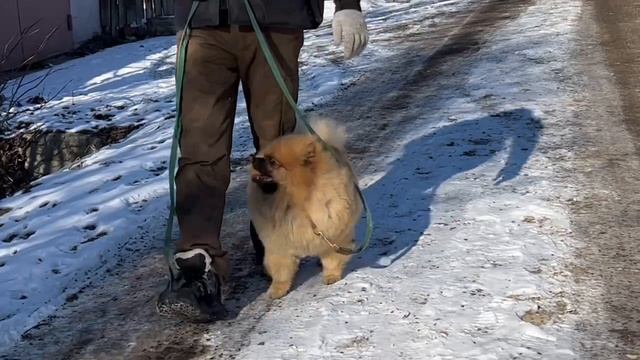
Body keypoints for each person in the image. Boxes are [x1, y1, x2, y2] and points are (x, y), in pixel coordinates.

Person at [157, 0, 368, 321]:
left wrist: (348, 5)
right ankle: (197, 264)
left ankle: (276, 241)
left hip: (276, 19)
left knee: (276, 148)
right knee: (199, 148)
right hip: (204, 21)